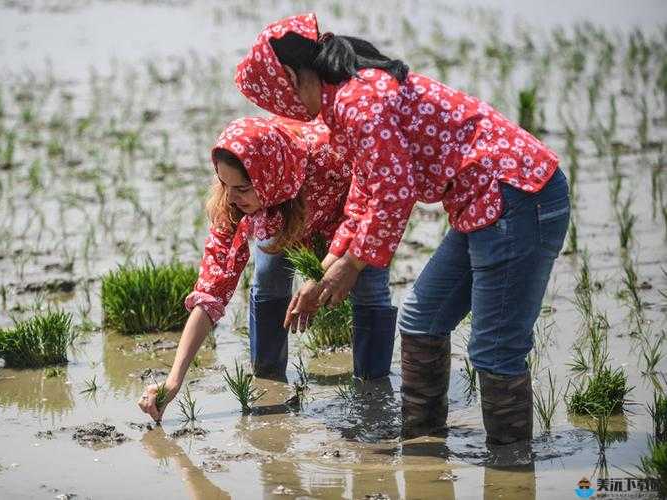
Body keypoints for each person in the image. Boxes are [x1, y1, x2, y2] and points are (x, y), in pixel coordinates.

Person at [234, 13, 569, 448]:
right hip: (482, 204)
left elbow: (394, 191)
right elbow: (365, 190)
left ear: (297, 77)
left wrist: (352, 266)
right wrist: (327, 267)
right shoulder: (346, 101)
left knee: (495, 350)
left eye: (286, 96)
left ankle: (510, 469)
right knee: (421, 321)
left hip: (518, 197)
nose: (293, 110)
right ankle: (424, 447)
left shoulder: (359, 101)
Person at [138, 116, 396, 423]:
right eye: (224, 183)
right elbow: (211, 290)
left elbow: (379, 203)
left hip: (349, 215)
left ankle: (373, 391)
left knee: (370, 287)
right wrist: (174, 380)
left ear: (269, 177)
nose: (232, 197)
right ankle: (268, 379)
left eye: (242, 187)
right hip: (281, 210)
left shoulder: (331, 157)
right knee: (268, 275)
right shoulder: (234, 202)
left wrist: (336, 267)